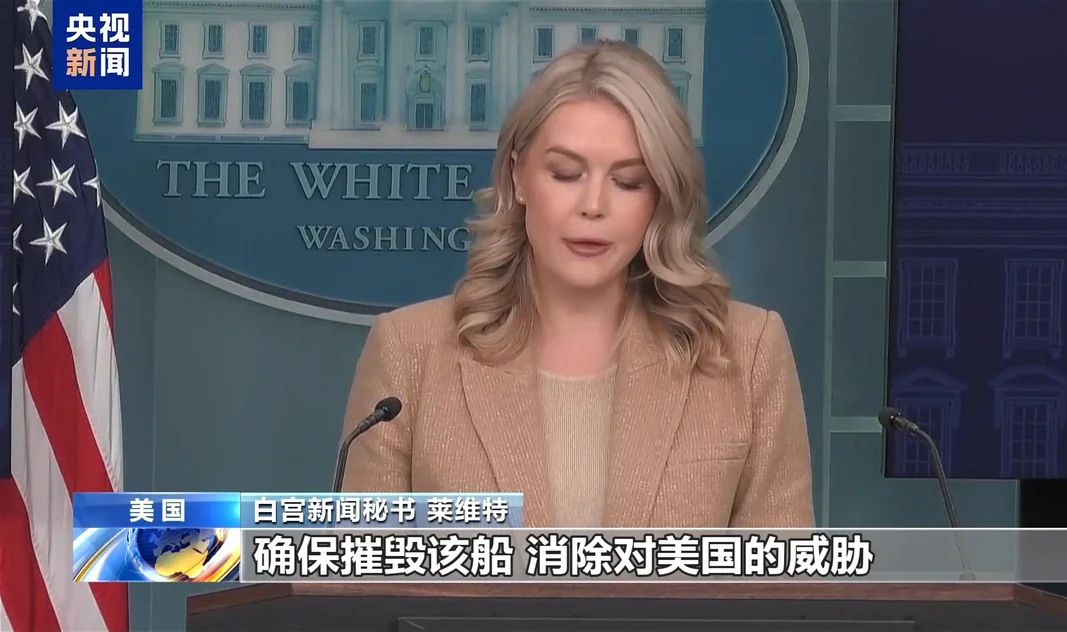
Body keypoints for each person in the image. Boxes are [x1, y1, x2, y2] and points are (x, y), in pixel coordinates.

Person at [340, 40, 814, 528]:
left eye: (628, 182)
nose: (593, 206)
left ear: (661, 196)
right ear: (518, 176)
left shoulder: (749, 353)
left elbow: (783, 574)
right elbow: (361, 568)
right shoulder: (410, 351)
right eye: (566, 174)